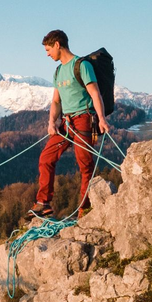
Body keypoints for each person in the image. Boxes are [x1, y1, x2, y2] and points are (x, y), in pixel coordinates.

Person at [28, 30, 110, 219]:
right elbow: (56, 101)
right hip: (66, 122)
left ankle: (84, 210)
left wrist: (102, 119)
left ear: (57, 45)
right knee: (46, 158)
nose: (47, 54)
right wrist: (51, 122)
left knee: (85, 164)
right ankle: (43, 203)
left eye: (48, 49)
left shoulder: (82, 65)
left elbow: (95, 93)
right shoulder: (58, 71)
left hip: (84, 120)